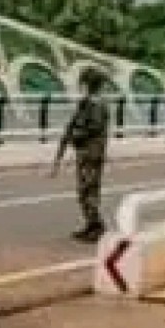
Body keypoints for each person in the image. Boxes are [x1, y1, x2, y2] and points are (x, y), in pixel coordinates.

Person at [52, 71, 111, 241]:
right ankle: (92, 225)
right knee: (85, 190)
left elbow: (93, 128)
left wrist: (75, 136)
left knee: (88, 190)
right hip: (87, 153)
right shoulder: (87, 103)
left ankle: (97, 226)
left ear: (87, 84)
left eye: (82, 83)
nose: (81, 86)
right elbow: (74, 125)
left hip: (91, 154)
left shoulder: (96, 105)